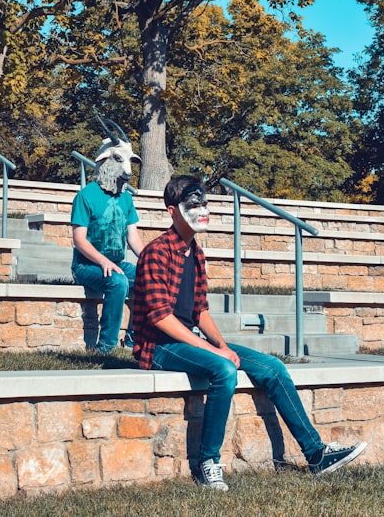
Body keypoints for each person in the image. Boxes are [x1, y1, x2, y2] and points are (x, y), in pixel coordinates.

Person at [131, 174, 366, 490]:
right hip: (157, 347)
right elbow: (160, 318)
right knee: (224, 369)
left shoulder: (196, 254)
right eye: (193, 204)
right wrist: (217, 353)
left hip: (187, 339)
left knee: (273, 368)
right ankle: (208, 463)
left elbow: (199, 310)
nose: (202, 210)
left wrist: (222, 344)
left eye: (204, 203)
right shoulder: (157, 252)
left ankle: (316, 454)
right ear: (173, 211)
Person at [71, 127, 145, 353]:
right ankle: (106, 346)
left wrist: (151, 260)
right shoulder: (85, 196)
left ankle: (135, 338)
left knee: (147, 278)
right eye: (120, 160)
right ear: (105, 160)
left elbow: (133, 236)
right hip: (87, 265)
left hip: (118, 263)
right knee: (118, 282)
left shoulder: (126, 199)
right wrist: (102, 261)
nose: (127, 170)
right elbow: (79, 240)